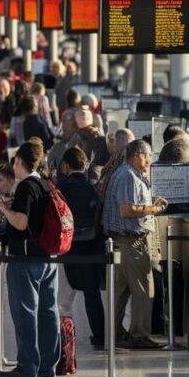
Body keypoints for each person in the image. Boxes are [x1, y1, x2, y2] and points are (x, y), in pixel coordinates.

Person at [0, 142, 60, 377]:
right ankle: (49, 365)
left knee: (25, 312)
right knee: (48, 310)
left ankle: (27, 365)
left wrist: (3, 209)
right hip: (48, 257)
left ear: (19, 161)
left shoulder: (25, 186)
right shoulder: (45, 183)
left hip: (24, 257)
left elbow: (21, 223)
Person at [101, 140, 167, 349]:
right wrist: (154, 210)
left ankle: (114, 334)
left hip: (121, 240)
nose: (150, 159)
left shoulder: (129, 174)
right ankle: (139, 335)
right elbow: (126, 210)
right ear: (137, 155)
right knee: (144, 289)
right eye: (148, 155)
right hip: (130, 241)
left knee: (121, 291)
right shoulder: (128, 176)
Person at [56, 146, 105, 347]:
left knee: (63, 299)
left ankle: (63, 337)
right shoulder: (92, 188)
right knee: (91, 293)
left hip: (67, 247)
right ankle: (100, 335)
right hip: (91, 246)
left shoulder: (59, 189)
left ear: (65, 166)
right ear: (84, 165)